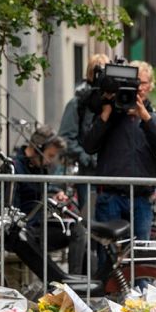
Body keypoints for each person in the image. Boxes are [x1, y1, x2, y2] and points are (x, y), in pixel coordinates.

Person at [81, 60, 156, 241]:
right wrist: (106, 113)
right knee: (107, 256)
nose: (138, 88)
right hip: (110, 197)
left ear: (150, 86)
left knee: (139, 256)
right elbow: (89, 146)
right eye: (134, 82)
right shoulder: (109, 114)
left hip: (142, 199)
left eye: (143, 83)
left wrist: (145, 117)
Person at [11, 125, 87, 275]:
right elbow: (12, 205)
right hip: (25, 230)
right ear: (37, 148)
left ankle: (80, 282)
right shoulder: (15, 167)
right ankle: (73, 284)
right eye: (50, 156)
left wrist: (55, 195)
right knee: (77, 232)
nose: (50, 161)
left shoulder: (39, 167)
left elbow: (39, 193)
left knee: (82, 232)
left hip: (39, 224)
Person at [58, 53, 109, 221]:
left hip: (111, 173)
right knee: (91, 222)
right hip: (89, 175)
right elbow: (65, 138)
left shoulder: (114, 103)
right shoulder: (78, 103)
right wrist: (87, 157)